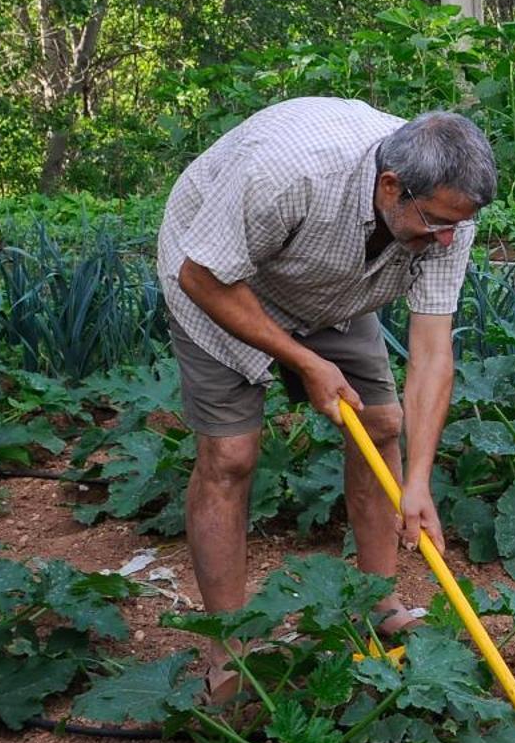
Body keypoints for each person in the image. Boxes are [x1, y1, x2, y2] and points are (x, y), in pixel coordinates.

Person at [156, 98, 495, 694]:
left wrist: (418, 481)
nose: (449, 239)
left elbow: (433, 351)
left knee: (382, 426)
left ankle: (379, 603)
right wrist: (305, 362)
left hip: (334, 287)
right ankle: (228, 653)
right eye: (438, 223)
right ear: (391, 187)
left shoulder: (447, 215)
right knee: (231, 456)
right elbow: (202, 275)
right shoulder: (288, 174)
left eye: (457, 226)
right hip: (220, 277)